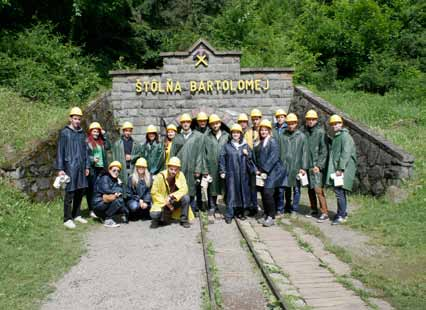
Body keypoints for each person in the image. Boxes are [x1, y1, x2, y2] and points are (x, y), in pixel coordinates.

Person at [55, 107, 90, 229]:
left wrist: (87, 166)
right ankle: (67, 218)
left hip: (81, 167)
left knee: (80, 192)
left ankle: (76, 215)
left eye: (79, 119)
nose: (77, 121)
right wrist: (60, 168)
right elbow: (60, 151)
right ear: (70, 119)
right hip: (69, 167)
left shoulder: (82, 133)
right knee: (70, 192)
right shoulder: (65, 132)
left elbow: (86, 151)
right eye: (75, 118)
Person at [219, 124, 256, 224]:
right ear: (231, 134)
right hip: (231, 174)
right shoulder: (226, 146)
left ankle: (240, 212)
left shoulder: (245, 146)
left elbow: (251, 159)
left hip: (243, 174)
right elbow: (222, 159)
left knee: (242, 192)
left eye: (237, 132)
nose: (235, 134)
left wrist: (247, 154)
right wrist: (222, 171)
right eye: (234, 132)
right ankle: (229, 214)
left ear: (240, 134)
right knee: (231, 193)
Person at [255, 120, 287, 227]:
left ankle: (271, 216)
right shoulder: (260, 142)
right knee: (264, 194)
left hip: (272, 172)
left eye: (265, 130)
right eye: (261, 130)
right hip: (263, 173)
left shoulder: (272, 141)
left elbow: (274, 157)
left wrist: (263, 169)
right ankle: (266, 214)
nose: (263, 132)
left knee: (268, 193)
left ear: (269, 131)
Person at [325, 115, 357, 225]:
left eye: (337, 123)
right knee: (339, 192)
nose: (334, 126)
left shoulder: (345, 136)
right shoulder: (338, 136)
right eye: (333, 124)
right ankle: (340, 213)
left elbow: (345, 153)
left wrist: (340, 168)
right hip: (340, 169)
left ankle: (342, 216)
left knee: (339, 192)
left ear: (341, 124)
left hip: (342, 170)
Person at [172, 113, 204, 214]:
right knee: (179, 188)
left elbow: (200, 154)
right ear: (181, 124)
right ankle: (181, 211)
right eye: (183, 122)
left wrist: (198, 168)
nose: (185, 124)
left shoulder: (196, 137)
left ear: (190, 123)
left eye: (187, 122)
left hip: (192, 167)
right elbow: (173, 154)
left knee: (192, 188)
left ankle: (192, 210)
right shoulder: (177, 138)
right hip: (180, 168)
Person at [199, 114, 229, 217]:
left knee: (225, 186)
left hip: (223, 166)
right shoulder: (206, 137)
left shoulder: (226, 136)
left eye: (216, 123)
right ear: (210, 125)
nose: (215, 125)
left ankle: (228, 205)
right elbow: (203, 154)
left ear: (220, 123)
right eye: (213, 124)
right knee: (212, 187)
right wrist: (205, 169)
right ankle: (212, 206)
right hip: (211, 166)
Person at [150, 157, 192, 228]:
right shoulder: (160, 176)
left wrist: (172, 196)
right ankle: (158, 219)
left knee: (186, 198)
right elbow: (154, 192)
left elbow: (185, 189)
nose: (173, 172)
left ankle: (184, 220)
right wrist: (166, 202)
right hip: (163, 202)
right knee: (156, 215)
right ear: (168, 167)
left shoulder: (181, 175)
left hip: (174, 200)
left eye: (176, 170)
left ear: (178, 169)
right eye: (171, 169)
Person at [279, 113, 308, 216]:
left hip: (296, 167)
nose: (291, 125)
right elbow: (279, 150)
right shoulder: (282, 135)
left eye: (293, 123)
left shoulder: (302, 136)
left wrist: (303, 167)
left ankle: (294, 209)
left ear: (296, 123)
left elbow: (305, 152)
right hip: (284, 166)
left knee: (296, 189)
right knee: (282, 189)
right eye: (289, 123)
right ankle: (281, 209)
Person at [303, 110, 329, 222]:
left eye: (313, 119)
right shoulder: (305, 132)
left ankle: (325, 212)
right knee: (310, 189)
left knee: (318, 189)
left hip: (316, 166)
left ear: (316, 120)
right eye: (309, 119)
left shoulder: (320, 132)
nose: (311, 121)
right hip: (308, 165)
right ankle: (313, 209)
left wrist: (319, 165)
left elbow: (324, 150)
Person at [86, 122, 111, 219]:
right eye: (94, 131)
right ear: (91, 132)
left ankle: (99, 208)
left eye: (97, 131)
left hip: (102, 168)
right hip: (93, 169)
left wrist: (104, 135)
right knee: (91, 190)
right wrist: (92, 159)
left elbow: (109, 146)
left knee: (100, 189)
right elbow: (84, 156)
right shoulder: (87, 142)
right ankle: (91, 209)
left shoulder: (101, 141)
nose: (96, 133)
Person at [92, 161, 127, 228]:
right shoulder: (105, 177)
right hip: (98, 205)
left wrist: (119, 185)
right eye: (114, 170)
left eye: (118, 171)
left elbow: (121, 191)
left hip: (104, 204)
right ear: (109, 170)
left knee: (121, 202)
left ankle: (103, 217)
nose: (116, 172)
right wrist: (117, 188)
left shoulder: (115, 180)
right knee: (119, 200)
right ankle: (107, 219)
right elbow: (106, 190)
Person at [111, 121, 140, 191]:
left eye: (130, 131)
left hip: (132, 168)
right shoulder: (117, 144)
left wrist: (131, 157)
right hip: (121, 168)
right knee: (122, 186)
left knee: (133, 186)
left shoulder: (136, 143)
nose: (128, 133)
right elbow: (114, 157)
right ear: (123, 131)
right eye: (126, 131)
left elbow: (140, 154)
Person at [272, 109, 288, 216]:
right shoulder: (273, 129)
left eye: (282, 117)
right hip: (274, 162)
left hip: (285, 161)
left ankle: (281, 208)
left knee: (283, 188)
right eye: (278, 117)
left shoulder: (288, 129)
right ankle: (275, 207)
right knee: (275, 188)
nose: (280, 119)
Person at [194, 112, 209, 211]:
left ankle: (209, 206)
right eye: (200, 121)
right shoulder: (194, 133)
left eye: (204, 121)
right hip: (197, 162)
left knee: (208, 187)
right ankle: (198, 205)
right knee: (197, 185)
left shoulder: (210, 132)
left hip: (208, 163)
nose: (202, 122)